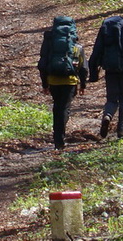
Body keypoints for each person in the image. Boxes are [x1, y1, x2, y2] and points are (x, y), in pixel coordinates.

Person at [88, 14, 123, 139]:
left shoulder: (105, 30)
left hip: (110, 69)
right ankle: (122, 130)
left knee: (112, 99)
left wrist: (93, 73)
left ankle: (107, 115)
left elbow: (96, 51)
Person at [38, 15, 88, 149]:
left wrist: (45, 84)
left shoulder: (49, 44)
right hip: (70, 81)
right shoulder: (77, 47)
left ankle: (57, 138)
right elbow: (83, 68)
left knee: (57, 108)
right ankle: (60, 139)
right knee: (64, 108)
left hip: (53, 80)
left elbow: (42, 64)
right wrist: (83, 84)